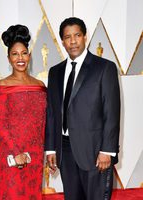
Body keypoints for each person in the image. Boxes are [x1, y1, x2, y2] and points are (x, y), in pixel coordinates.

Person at [45, 17, 120, 200]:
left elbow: (112, 111)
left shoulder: (104, 68)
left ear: (85, 37)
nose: (73, 41)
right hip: (65, 150)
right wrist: (50, 149)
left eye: (77, 35)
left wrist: (107, 150)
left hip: (95, 152)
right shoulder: (55, 72)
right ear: (62, 41)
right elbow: (52, 113)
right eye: (67, 37)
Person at [0, 24, 46, 199]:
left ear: (29, 55)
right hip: (10, 151)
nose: (20, 58)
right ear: (8, 58)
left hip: (34, 152)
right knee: (11, 193)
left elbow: (43, 121)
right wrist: (15, 151)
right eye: (15, 54)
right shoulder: (3, 86)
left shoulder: (40, 86)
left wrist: (48, 151)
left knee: (31, 193)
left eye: (24, 53)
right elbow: (1, 123)